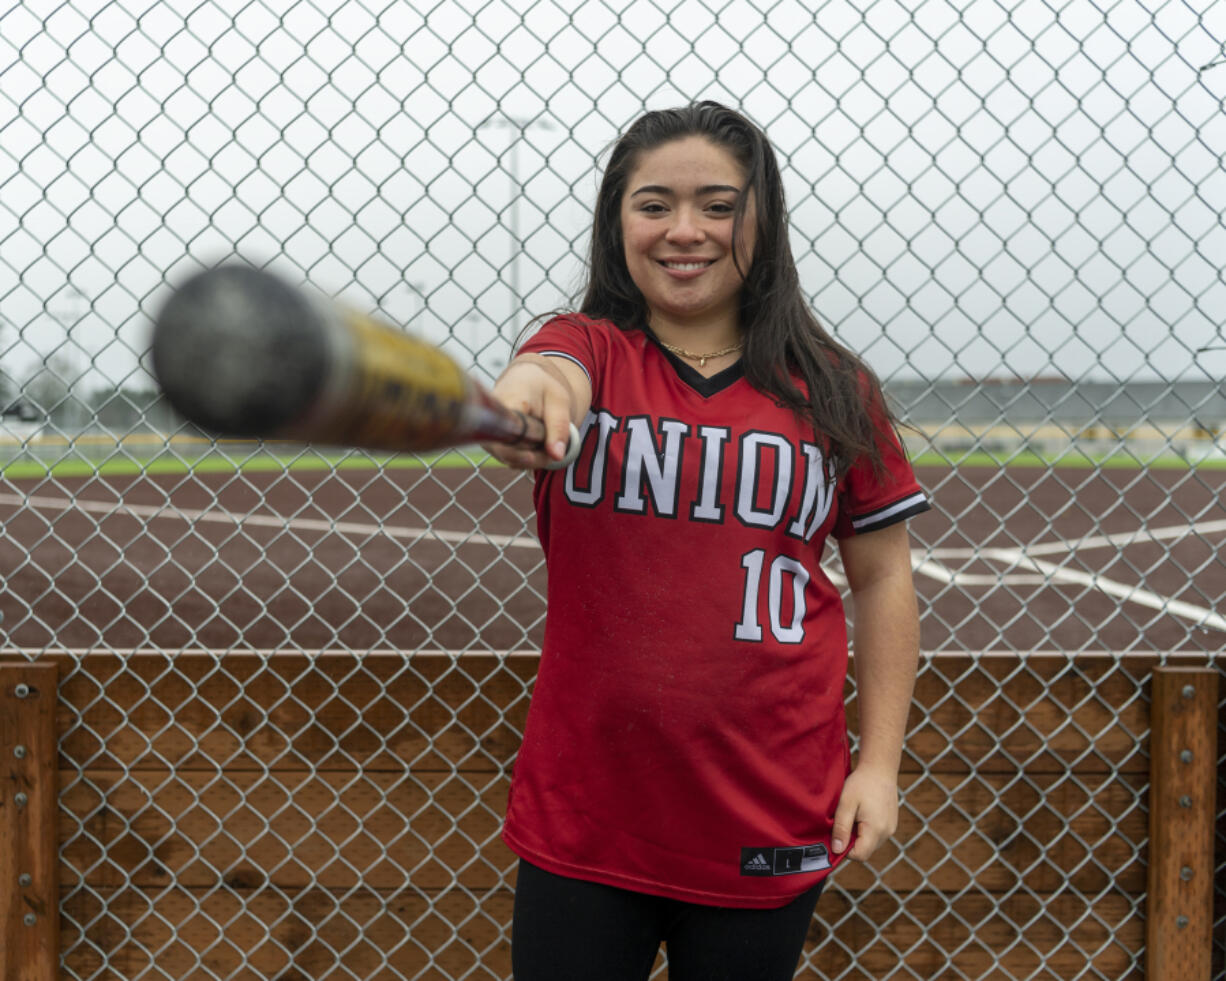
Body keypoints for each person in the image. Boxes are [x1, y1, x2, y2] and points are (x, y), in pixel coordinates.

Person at [482, 101, 930, 981]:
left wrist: (878, 765)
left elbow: (882, 579)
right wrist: (525, 404)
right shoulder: (589, 350)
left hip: (770, 805)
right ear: (619, 225)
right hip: (590, 810)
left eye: (718, 205)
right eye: (653, 205)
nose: (684, 230)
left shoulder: (835, 388)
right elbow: (543, 375)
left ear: (762, 219)